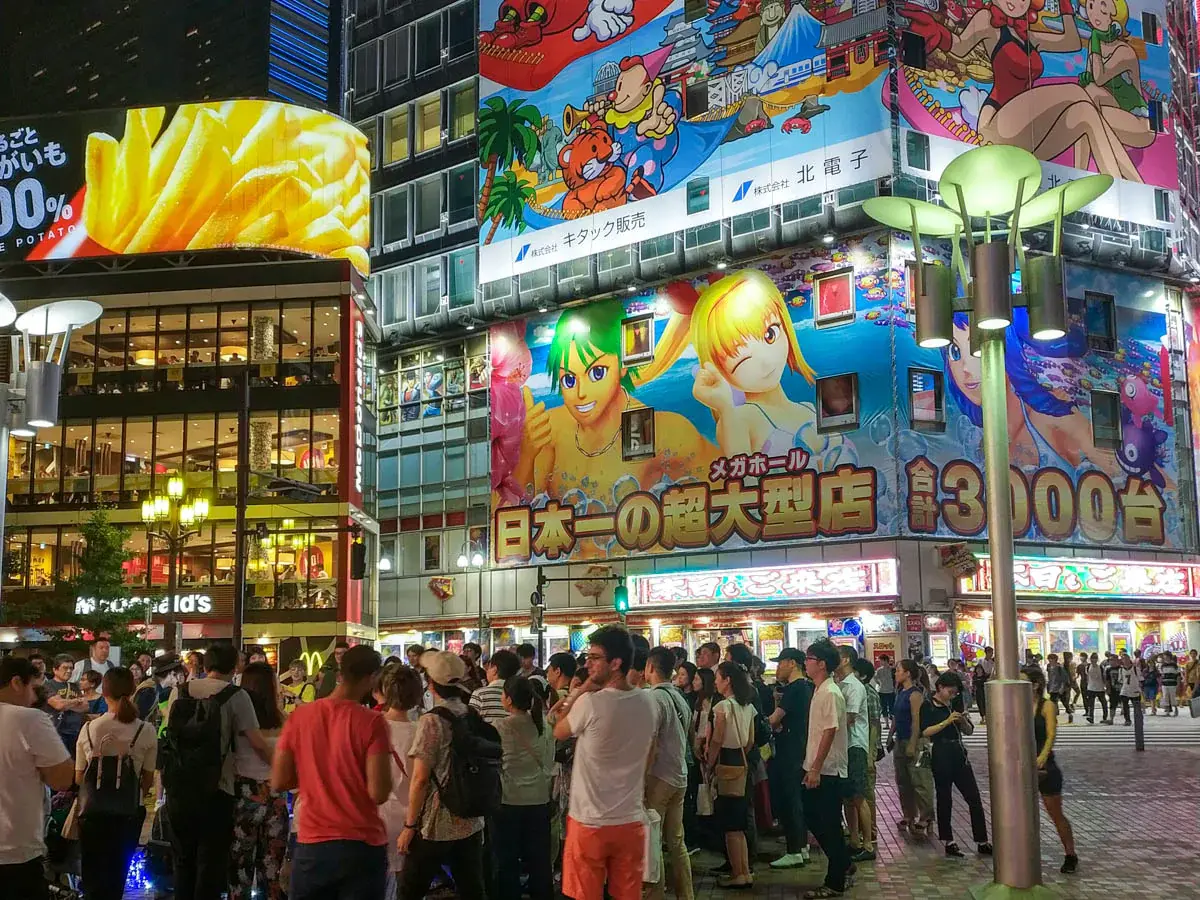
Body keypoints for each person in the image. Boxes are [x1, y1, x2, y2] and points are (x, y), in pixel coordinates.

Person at [272, 646, 391, 899]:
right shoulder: (372, 722)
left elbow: (280, 780)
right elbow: (379, 792)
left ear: (341, 672)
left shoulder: (301, 716)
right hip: (361, 843)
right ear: (372, 678)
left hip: (312, 842)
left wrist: (314, 777)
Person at [551, 625, 660, 900]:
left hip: (589, 821)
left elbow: (558, 727)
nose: (587, 663)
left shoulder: (591, 703)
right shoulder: (648, 703)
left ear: (616, 663)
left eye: (595, 657)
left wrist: (583, 689)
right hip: (630, 820)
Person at [164, 643, 271, 900]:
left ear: (205, 664)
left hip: (178, 788)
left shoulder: (180, 691)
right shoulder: (236, 696)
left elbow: (170, 738)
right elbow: (256, 742)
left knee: (183, 860)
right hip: (217, 788)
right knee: (210, 863)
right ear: (235, 666)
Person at [397, 651, 488, 899]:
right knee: (472, 889)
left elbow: (421, 779)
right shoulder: (471, 714)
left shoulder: (432, 721)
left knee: (410, 890)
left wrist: (410, 825)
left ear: (431, 683)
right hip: (470, 817)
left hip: (437, 822)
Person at [75, 667, 158, 900]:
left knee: (92, 875)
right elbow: (147, 780)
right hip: (128, 812)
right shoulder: (146, 730)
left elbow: (79, 777)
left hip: (92, 812)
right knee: (117, 876)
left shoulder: (89, 729)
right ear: (133, 691)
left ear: (104, 693)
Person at [0, 656, 75, 900]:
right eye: (33, 688)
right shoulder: (28, 719)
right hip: (14, 853)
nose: (35, 698)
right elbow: (63, 778)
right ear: (16, 683)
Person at [494, 675, 556, 900]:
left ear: (508, 699)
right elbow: (549, 762)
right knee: (539, 860)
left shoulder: (500, 727)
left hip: (509, 801)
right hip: (539, 800)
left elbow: (498, 765)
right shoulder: (545, 725)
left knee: (507, 861)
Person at [229, 662, 288, 900]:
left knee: (239, 870)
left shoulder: (236, 719)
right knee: (271, 870)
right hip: (275, 795)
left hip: (243, 796)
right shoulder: (283, 720)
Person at [801, 639, 853, 899]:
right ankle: (843, 862)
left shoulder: (831, 692)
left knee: (829, 823)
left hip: (829, 770)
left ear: (821, 664)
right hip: (816, 767)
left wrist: (816, 768)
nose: (805, 663)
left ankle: (835, 881)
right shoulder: (819, 690)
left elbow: (830, 731)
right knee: (811, 815)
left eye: (809, 658)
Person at [919, 673, 991, 859]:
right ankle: (948, 841)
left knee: (973, 797)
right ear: (940, 687)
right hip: (940, 754)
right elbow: (925, 731)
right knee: (945, 798)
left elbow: (968, 731)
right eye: (950, 692)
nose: (952, 695)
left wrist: (963, 720)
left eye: (955, 693)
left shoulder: (955, 704)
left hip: (959, 755)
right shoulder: (928, 706)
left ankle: (982, 840)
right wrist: (946, 721)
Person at [644, 646, 694, 900]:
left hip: (659, 777)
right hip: (680, 776)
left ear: (650, 667)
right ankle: (687, 894)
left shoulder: (654, 698)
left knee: (653, 842)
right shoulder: (679, 697)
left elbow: (650, 743)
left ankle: (656, 895)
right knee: (677, 841)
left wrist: (641, 778)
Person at [703, 661, 756, 889]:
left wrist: (710, 763)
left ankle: (738, 874)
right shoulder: (747, 706)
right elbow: (751, 741)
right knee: (740, 825)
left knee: (730, 826)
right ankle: (744, 871)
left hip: (726, 763)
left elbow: (717, 739)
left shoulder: (723, 707)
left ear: (728, 681)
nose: (715, 681)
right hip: (743, 765)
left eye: (718, 677)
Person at [1023, 666, 1077, 873]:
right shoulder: (1018, 704)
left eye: (1023, 681)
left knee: (1055, 813)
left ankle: (1070, 854)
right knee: (1020, 814)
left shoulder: (1047, 706)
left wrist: (1042, 757)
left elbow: (1051, 734)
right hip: (1023, 765)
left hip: (1044, 765)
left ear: (1035, 685)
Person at [378, 663, 423, 898]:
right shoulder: (422, 731)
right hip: (411, 819)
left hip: (375, 815)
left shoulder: (371, 726)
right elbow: (421, 781)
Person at [766, 648, 812, 870]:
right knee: (797, 800)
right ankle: (801, 847)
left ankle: (794, 850)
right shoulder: (806, 688)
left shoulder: (795, 689)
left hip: (791, 751)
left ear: (792, 663)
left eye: (780, 663)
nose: (777, 668)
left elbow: (774, 720)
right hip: (801, 749)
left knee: (791, 800)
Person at [835, 645, 872, 861]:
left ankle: (867, 844)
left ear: (846, 660)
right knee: (849, 797)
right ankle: (854, 840)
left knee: (858, 796)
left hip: (855, 745)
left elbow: (850, 718)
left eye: (836, 657)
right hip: (844, 745)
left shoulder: (854, 687)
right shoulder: (840, 684)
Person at [893, 659, 935, 833]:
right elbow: (896, 717)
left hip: (915, 742)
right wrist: (890, 737)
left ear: (907, 673)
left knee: (920, 781)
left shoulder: (915, 693)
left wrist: (912, 743)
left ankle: (926, 817)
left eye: (898, 670)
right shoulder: (900, 692)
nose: (896, 673)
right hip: (899, 740)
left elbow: (915, 720)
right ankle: (908, 814)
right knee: (903, 781)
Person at [44, 653, 90, 756]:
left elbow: (85, 706)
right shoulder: (47, 685)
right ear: (55, 669)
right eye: (65, 668)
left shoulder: (75, 686)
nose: (69, 671)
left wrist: (66, 704)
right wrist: (76, 701)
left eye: (71, 668)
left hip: (75, 731)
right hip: (57, 731)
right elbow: (59, 705)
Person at [470, 648, 520, 724]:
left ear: (494, 670)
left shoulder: (480, 694)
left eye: (488, 667)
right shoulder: (519, 693)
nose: (486, 670)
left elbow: (471, 723)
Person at [1083, 652, 1108, 724]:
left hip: (1100, 688)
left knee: (1104, 703)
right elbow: (1087, 677)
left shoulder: (1100, 667)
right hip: (1091, 688)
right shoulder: (1087, 667)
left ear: (1097, 659)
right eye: (1092, 658)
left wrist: (1105, 686)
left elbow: (1104, 677)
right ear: (1090, 659)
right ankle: (1091, 717)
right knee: (1091, 704)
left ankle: (1105, 716)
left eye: (1095, 658)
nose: (1093, 660)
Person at [1117, 654, 1142, 725]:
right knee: (1125, 705)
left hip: (1134, 689)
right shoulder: (1121, 670)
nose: (1125, 660)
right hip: (1125, 690)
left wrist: (1140, 689)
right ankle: (1127, 720)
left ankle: (1138, 719)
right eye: (1123, 659)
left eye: (1126, 659)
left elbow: (1140, 679)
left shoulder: (1135, 669)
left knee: (1136, 707)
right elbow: (1120, 680)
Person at [1046, 653, 1070, 722]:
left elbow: (1064, 679)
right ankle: (1055, 716)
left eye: (1051, 659)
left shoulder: (1059, 668)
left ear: (1055, 660)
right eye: (1049, 660)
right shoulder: (1049, 668)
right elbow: (1050, 679)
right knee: (1053, 702)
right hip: (1052, 688)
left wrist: (1062, 688)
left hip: (1059, 688)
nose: (1050, 661)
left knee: (1064, 702)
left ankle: (1068, 712)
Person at [972, 647, 995, 722]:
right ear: (986, 653)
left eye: (992, 653)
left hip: (990, 679)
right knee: (980, 700)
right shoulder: (981, 660)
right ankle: (983, 716)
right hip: (981, 679)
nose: (991, 654)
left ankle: (988, 715)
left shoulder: (993, 661)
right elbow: (978, 669)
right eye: (989, 652)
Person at [1159, 652, 1181, 716]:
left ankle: (1176, 709)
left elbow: (1178, 675)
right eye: (1164, 656)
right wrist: (1161, 684)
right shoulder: (1162, 665)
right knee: (1165, 697)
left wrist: (1178, 684)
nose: (1165, 657)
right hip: (1164, 684)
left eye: (1166, 656)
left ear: (1169, 656)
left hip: (1172, 684)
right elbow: (1161, 675)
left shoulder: (1174, 665)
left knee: (1172, 697)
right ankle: (1168, 711)